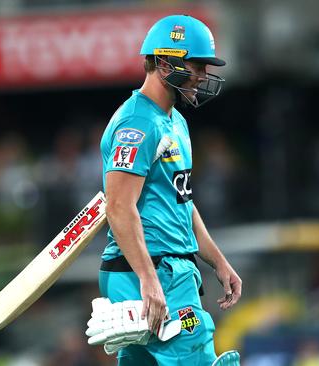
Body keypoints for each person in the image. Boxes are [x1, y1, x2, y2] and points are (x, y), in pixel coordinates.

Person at [95, 14, 242, 365]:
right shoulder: (138, 122)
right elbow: (118, 206)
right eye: (197, 65)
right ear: (165, 62)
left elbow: (183, 202)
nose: (203, 76)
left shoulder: (176, 123)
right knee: (197, 354)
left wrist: (218, 262)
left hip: (165, 270)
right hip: (153, 272)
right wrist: (148, 279)